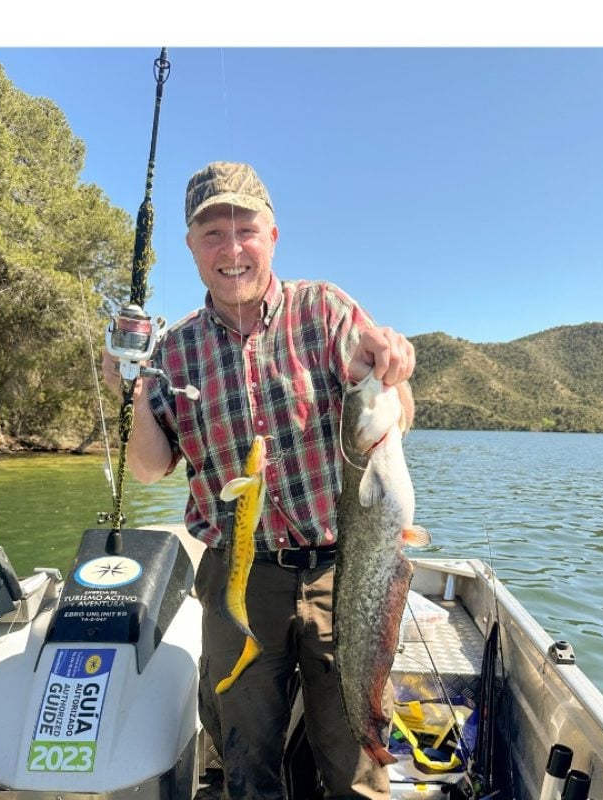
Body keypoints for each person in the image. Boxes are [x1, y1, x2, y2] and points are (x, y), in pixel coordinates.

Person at [103, 161, 416, 799]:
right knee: (245, 758)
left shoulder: (325, 309)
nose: (232, 248)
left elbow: (392, 410)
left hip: (343, 567)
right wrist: (135, 393)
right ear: (191, 248)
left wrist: (389, 369)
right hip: (237, 579)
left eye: (246, 229)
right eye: (212, 233)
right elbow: (149, 467)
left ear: (273, 236)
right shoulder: (174, 350)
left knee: (355, 756)